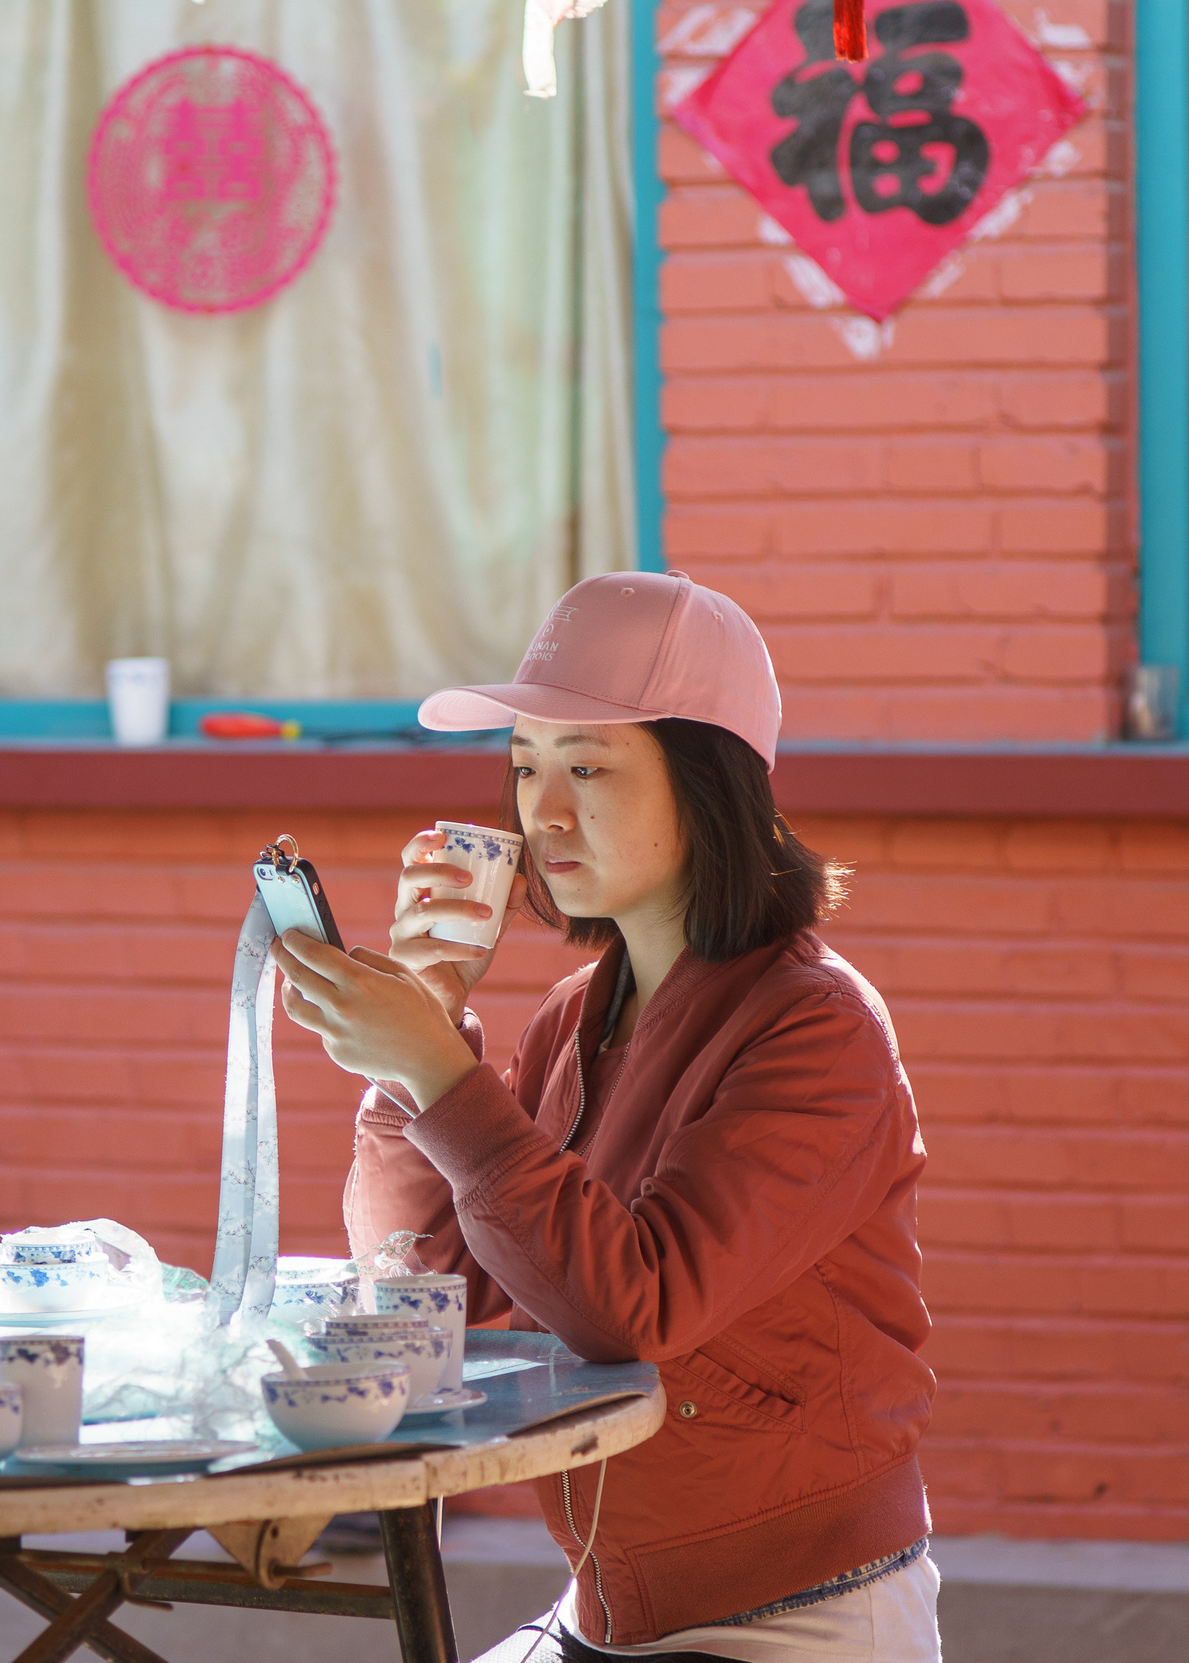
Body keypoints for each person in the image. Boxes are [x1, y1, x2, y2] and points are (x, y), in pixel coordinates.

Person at [272, 571, 938, 1661]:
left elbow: (638, 1305)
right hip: (602, 1609)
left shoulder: (818, 1028)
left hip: (801, 1615)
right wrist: (421, 1048)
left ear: (711, 785)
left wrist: (442, 1078)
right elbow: (431, 1299)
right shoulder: (573, 1017)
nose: (542, 810)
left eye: (587, 766)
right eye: (525, 766)